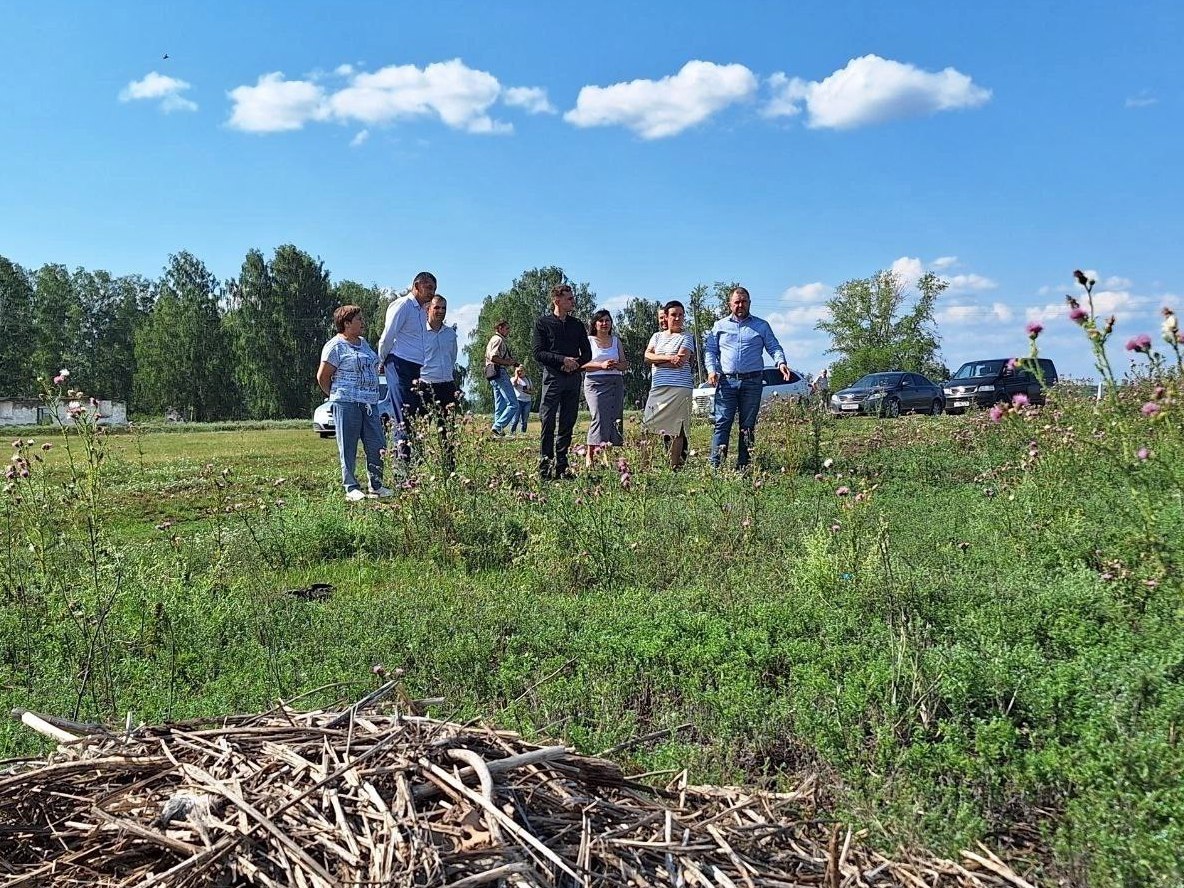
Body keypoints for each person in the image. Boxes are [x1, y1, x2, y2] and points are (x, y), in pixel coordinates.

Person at [703, 286, 791, 470]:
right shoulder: (719, 326)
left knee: (748, 426)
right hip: (726, 382)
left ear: (749, 303)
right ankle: (716, 467)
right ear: (730, 304)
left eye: (744, 302)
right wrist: (711, 370)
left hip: (752, 382)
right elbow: (710, 350)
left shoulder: (761, 326)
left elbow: (773, 346)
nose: (740, 305)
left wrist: (780, 363)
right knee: (722, 422)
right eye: (737, 302)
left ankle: (744, 467)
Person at [316, 305, 391, 501]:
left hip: (369, 403)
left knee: (377, 444)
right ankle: (351, 488)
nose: (362, 322)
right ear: (347, 323)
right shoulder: (335, 346)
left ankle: (376, 485)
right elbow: (323, 377)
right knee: (348, 446)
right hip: (347, 402)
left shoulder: (364, 343)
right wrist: (337, 395)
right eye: (358, 319)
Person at [532, 283, 592, 480]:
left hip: (573, 378)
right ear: (557, 300)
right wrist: (561, 361)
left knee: (568, 421)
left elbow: (588, 353)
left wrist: (574, 364)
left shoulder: (577, 325)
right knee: (548, 420)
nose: (573, 301)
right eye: (569, 298)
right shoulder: (543, 323)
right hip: (552, 377)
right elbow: (538, 352)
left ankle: (562, 466)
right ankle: (545, 466)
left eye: (572, 298)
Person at [378, 271, 436, 461]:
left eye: (434, 289)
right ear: (416, 286)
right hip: (398, 363)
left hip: (414, 366)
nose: (431, 293)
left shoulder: (421, 311)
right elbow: (387, 336)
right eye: (428, 288)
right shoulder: (403, 305)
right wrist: (382, 360)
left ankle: (410, 462)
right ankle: (402, 469)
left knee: (412, 414)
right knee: (402, 415)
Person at [643, 300, 696, 469]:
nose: (678, 318)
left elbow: (681, 361)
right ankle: (645, 467)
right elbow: (647, 357)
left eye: (681, 315)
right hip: (658, 388)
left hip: (680, 388)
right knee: (648, 427)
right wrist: (667, 358)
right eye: (674, 314)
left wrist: (658, 361)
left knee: (677, 429)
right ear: (665, 317)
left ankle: (674, 466)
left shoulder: (687, 336)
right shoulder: (656, 336)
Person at [582, 309, 629, 467]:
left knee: (614, 418)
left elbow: (624, 364)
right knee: (599, 416)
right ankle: (590, 454)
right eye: (601, 321)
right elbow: (582, 364)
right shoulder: (588, 341)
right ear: (595, 324)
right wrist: (601, 365)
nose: (604, 323)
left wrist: (617, 365)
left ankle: (607, 455)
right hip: (595, 382)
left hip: (615, 381)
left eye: (607, 320)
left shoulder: (616, 341)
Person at [421, 294, 460, 472]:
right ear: (428, 309)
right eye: (437, 307)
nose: (440, 311)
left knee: (448, 431)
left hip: (446, 385)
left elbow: (452, 357)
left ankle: (449, 469)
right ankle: (416, 470)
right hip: (425, 385)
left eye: (444, 308)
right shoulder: (419, 332)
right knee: (421, 431)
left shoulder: (450, 334)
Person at [484, 319, 518, 436]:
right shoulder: (498, 340)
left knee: (500, 404)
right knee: (513, 404)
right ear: (500, 328)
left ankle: (497, 431)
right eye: (507, 328)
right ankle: (498, 427)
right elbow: (493, 357)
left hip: (493, 374)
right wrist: (506, 362)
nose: (508, 331)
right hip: (499, 371)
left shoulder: (493, 339)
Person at [511, 364, 533, 434]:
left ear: (524, 371)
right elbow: (514, 384)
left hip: (527, 401)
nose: (520, 372)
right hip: (518, 401)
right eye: (518, 371)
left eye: (521, 371)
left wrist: (528, 391)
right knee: (515, 419)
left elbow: (532, 391)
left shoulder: (528, 379)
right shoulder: (513, 379)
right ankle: (512, 432)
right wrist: (516, 375)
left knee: (525, 420)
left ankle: (523, 433)